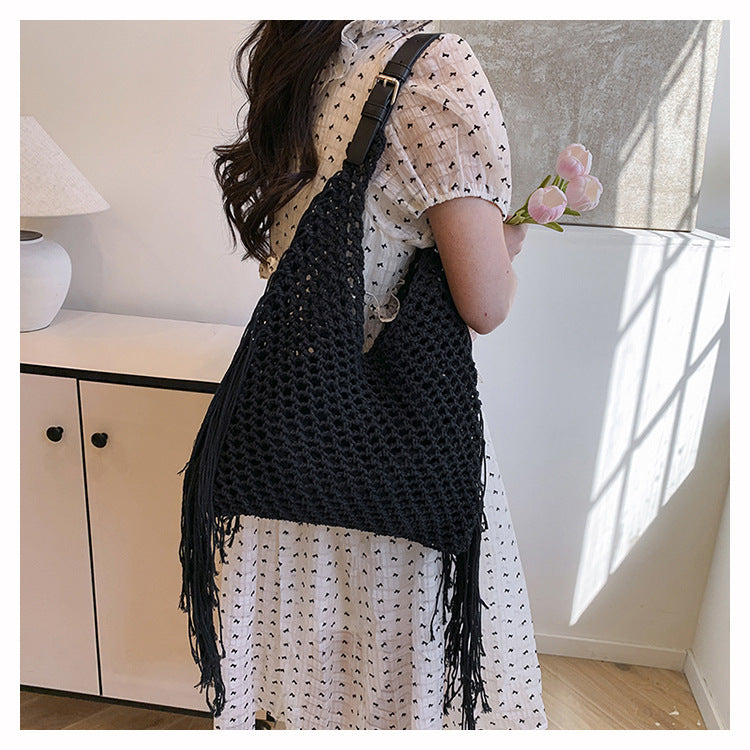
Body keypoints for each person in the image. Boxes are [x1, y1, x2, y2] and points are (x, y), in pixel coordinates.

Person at [210, 19, 546, 730]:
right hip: (396, 479)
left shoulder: (304, 55)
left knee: (305, 700)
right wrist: (506, 242)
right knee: (395, 700)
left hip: (290, 456)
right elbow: (484, 305)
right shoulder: (437, 67)